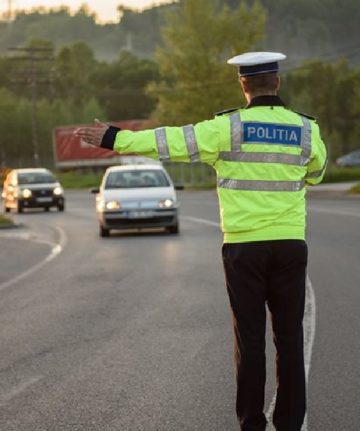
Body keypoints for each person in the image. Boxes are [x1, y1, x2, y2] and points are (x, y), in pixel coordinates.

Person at [74, 51, 327, 430]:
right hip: (291, 245)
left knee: (250, 340)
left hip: (243, 248)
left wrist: (115, 138)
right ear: (277, 82)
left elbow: (172, 141)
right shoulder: (307, 130)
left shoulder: (227, 128)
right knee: (289, 339)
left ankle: (252, 424)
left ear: (243, 85)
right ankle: (289, 424)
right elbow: (318, 172)